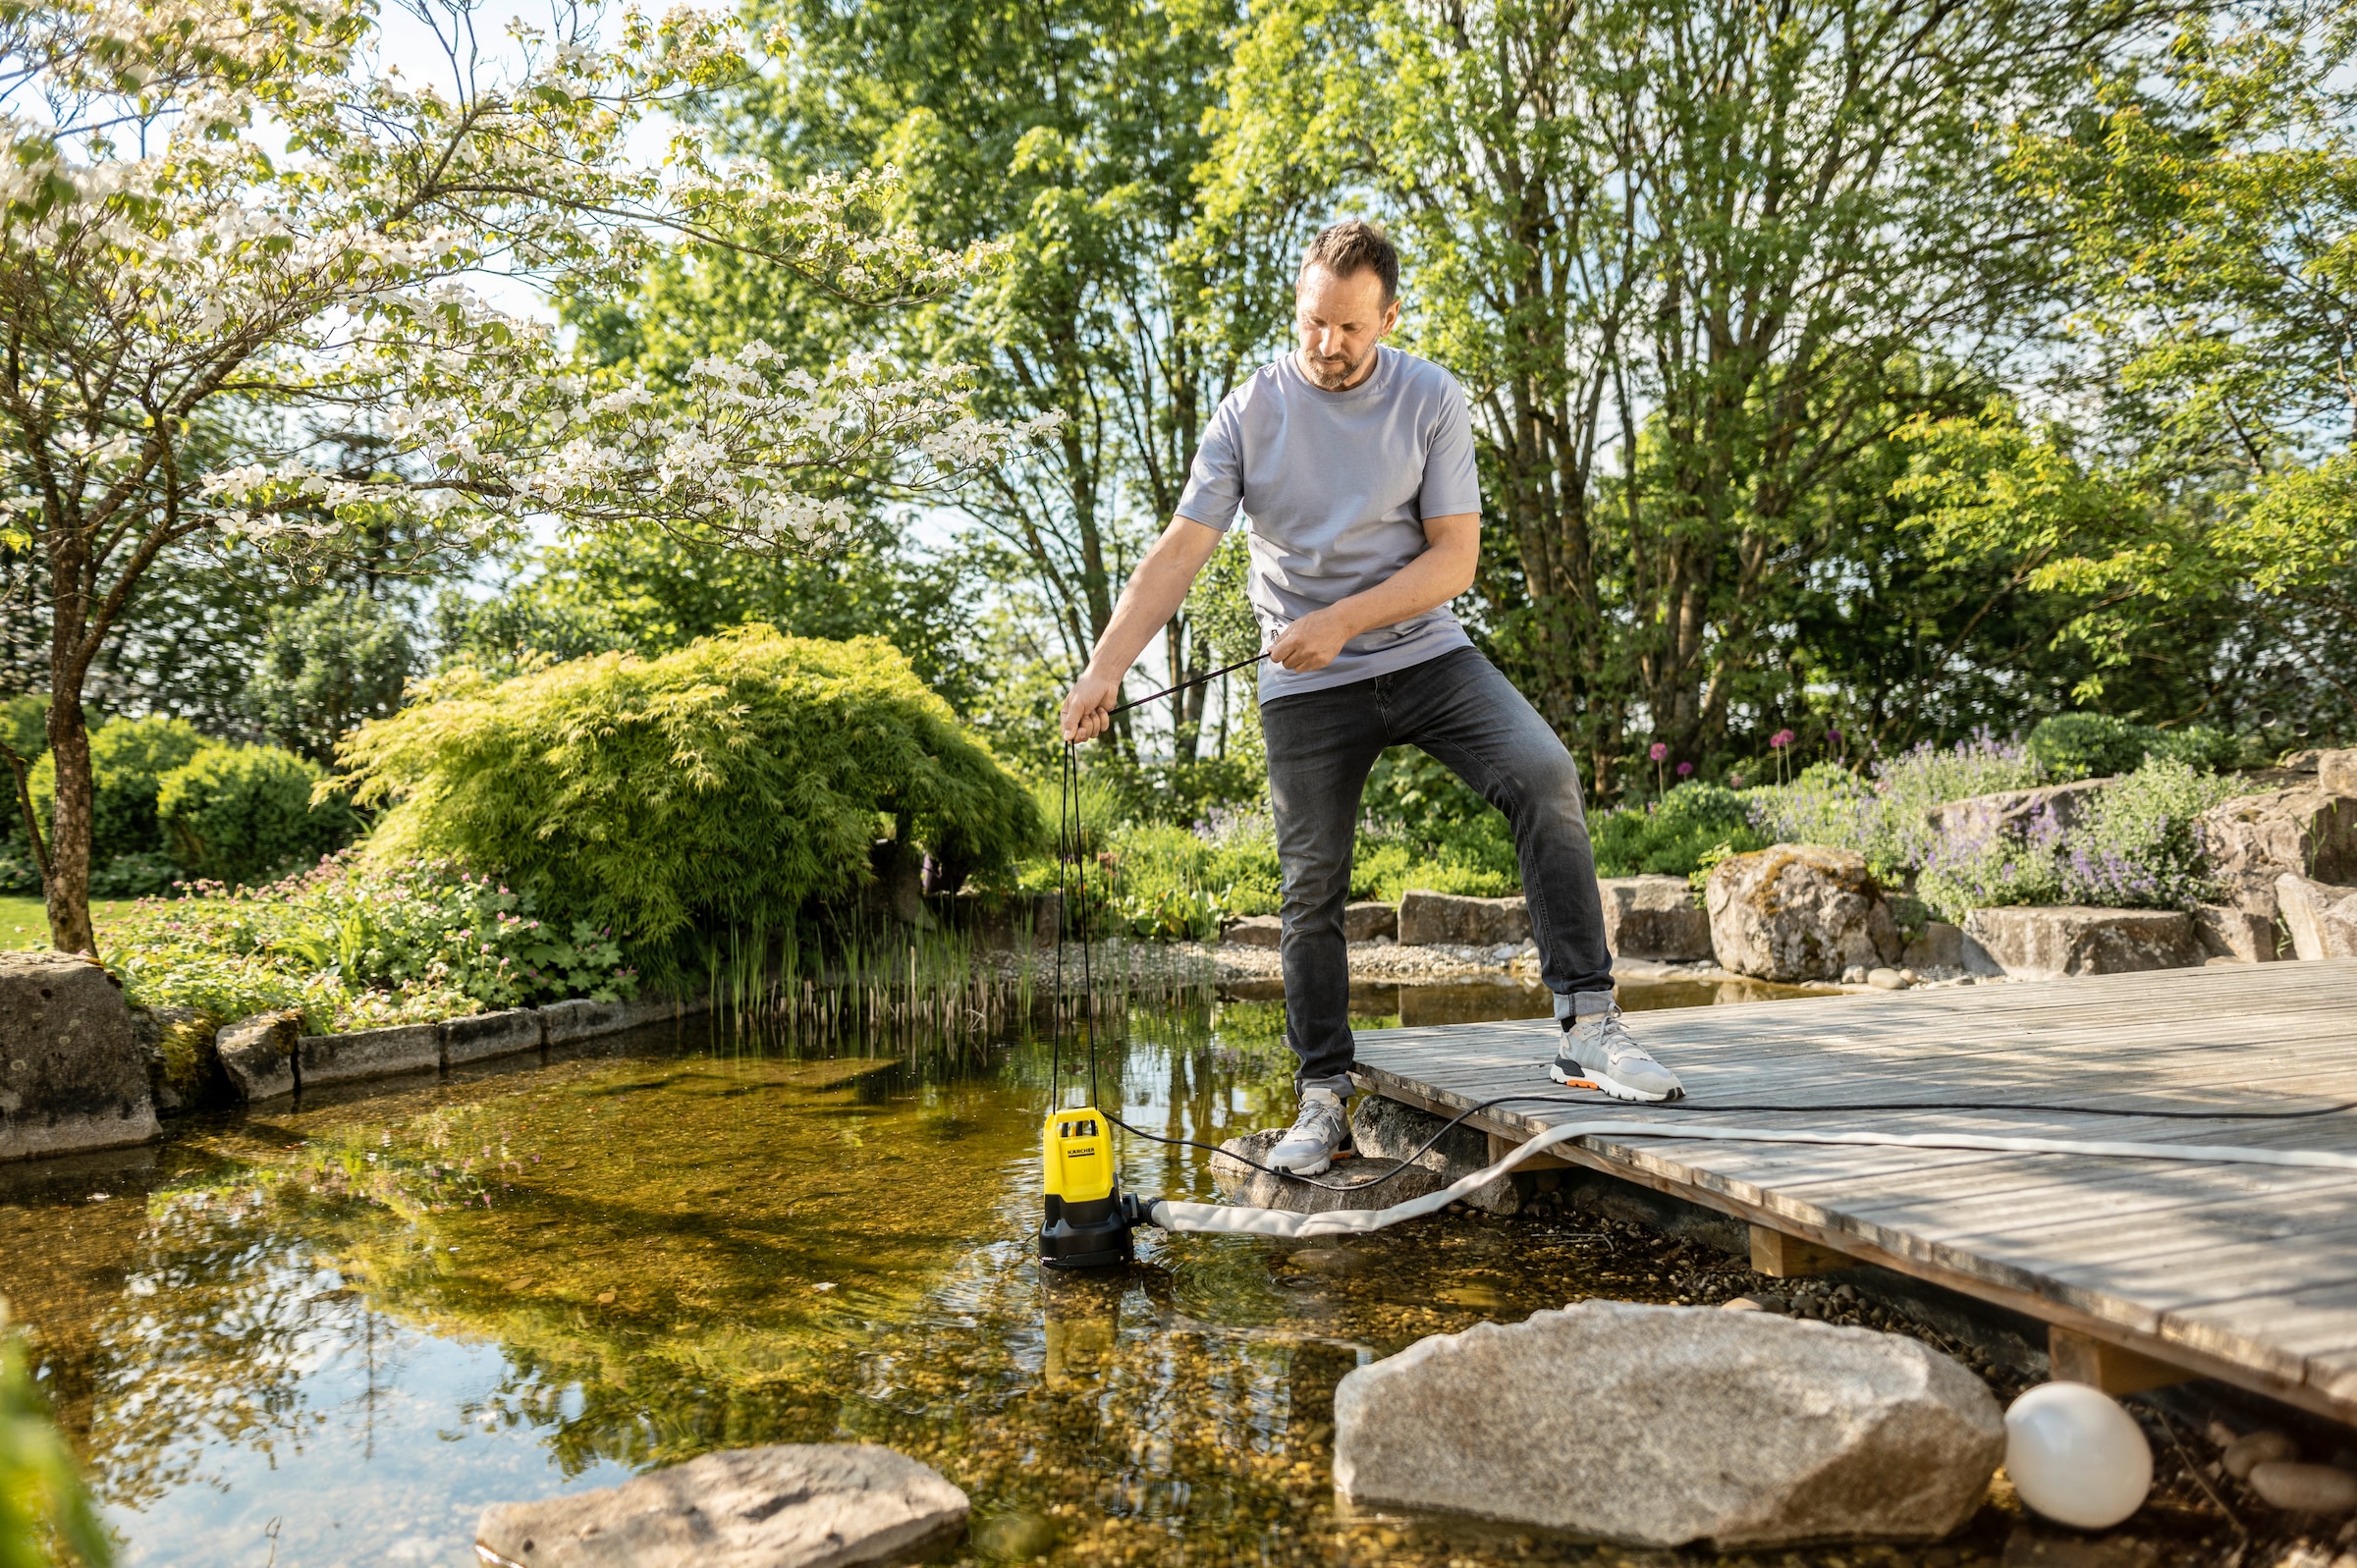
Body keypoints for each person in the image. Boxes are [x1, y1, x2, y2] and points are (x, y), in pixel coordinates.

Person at [1058, 219, 1683, 1175]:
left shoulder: (1429, 398)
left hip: (1425, 651)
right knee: (1310, 883)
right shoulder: (1246, 414)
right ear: (1297, 309)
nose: (1327, 344)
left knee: (1543, 773)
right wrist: (1104, 670)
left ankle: (1588, 1028)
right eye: (1313, 322)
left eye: (1351, 327)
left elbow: (1455, 559)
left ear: (1388, 317)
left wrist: (1345, 618)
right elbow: (1178, 554)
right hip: (1306, 683)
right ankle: (1321, 1091)